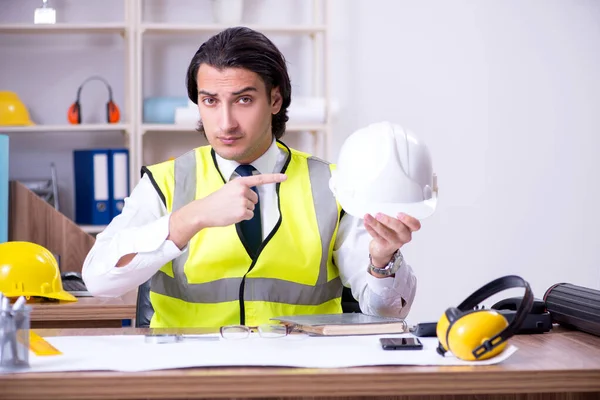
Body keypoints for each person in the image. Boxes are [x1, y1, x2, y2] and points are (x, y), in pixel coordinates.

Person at [82, 27, 421, 329]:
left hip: (301, 373)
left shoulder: (332, 185)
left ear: (274, 99)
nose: (225, 122)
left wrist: (382, 262)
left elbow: (386, 314)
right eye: (210, 101)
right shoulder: (165, 181)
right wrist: (192, 218)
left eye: (243, 100)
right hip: (188, 374)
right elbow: (98, 280)